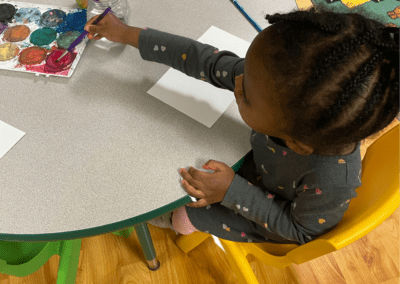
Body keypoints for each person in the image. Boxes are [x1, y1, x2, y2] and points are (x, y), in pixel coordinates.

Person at [84, 6, 400, 244]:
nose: (236, 80)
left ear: (298, 144)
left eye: (245, 93)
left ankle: (180, 220)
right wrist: (126, 33)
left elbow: (300, 231)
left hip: (267, 214)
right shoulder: (279, 87)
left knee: (181, 213)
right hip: (255, 168)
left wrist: (232, 191)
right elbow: (203, 59)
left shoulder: (333, 179)